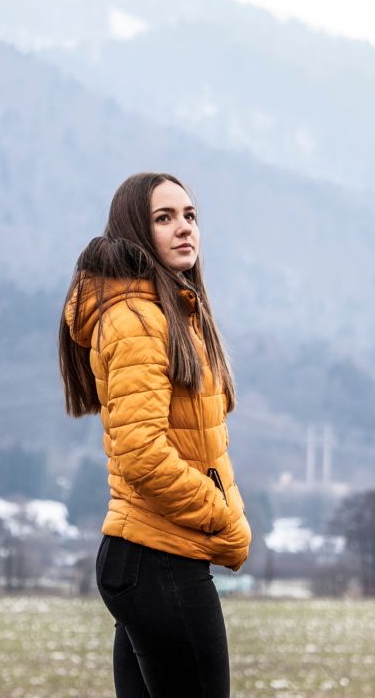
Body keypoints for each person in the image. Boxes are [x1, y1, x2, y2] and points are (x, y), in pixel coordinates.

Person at [59, 172, 251, 698]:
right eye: (163, 219)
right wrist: (222, 517)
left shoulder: (174, 314)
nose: (184, 228)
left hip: (149, 556)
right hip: (159, 557)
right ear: (134, 233)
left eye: (189, 216)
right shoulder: (138, 319)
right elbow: (142, 454)